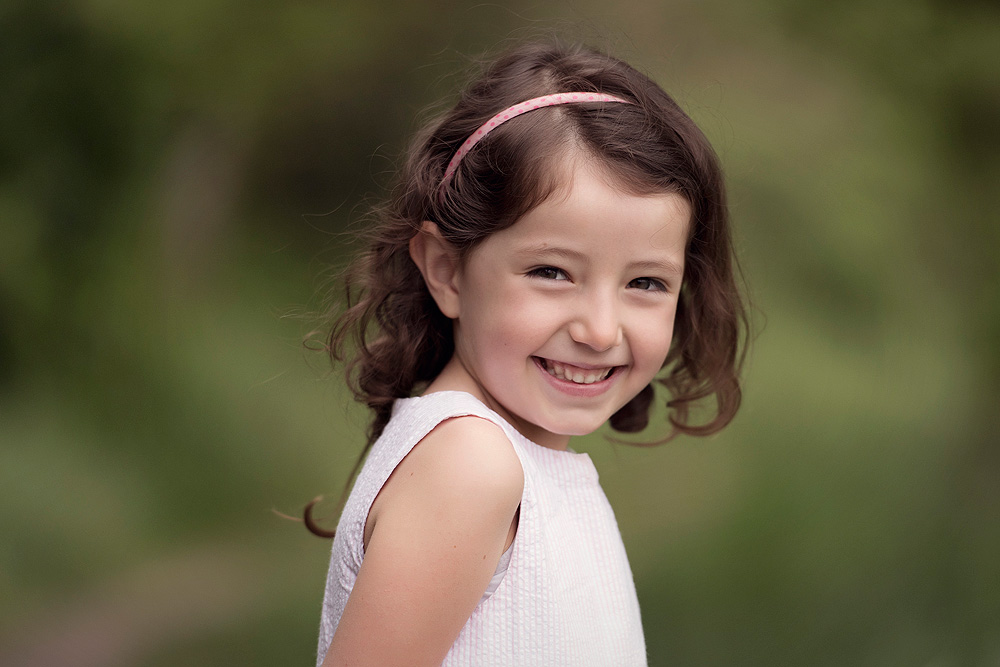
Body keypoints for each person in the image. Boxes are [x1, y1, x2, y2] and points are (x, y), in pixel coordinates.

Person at [309, 41, 747, 667]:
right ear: (448, 271)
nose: (600, 330)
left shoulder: (517, 466)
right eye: (551, 272)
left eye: (645, 283)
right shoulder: (470, 466)